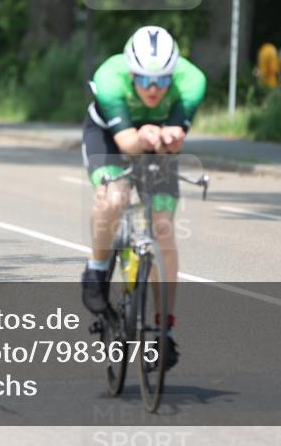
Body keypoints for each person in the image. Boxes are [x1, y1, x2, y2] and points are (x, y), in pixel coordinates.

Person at [80, 26, 206, 370]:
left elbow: (176, 140)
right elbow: (126, 146)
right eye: (145, 80)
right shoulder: (109, 77)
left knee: (163, 228)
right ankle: (98, 266)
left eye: (163, 81)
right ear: (130, 71)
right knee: (114, 198)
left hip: (155, 146)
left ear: (174, 75)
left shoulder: (192, 81)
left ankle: (164, 329)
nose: (153, 89)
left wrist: (169, 137)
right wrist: (147, 134)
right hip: (109, 138)